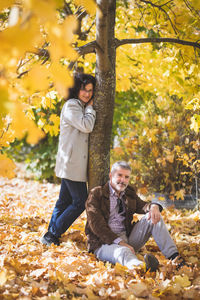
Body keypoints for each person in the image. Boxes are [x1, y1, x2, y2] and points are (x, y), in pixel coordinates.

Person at [85, 161, 185, 272]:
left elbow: (142, 205)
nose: (123, 180)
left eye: (126, 177)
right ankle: (142, 268)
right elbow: (97, 226)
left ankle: (175, 258)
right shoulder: (96, 194)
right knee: (123, 252)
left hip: (128, 238)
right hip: (103, 243)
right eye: (119, 175)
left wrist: (154, 206)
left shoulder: (128, 192)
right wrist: (120, 243)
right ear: (111, 175)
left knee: (153, 217)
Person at [41, 73, 96, 246]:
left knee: (64, 201)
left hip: (72, 163)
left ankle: (50, 235)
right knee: (80, 202)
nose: (87, 94)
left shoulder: (78, 104)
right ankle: (53, 233)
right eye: (83, 90)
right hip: (71, 163)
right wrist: (91, 108)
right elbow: (86, 126)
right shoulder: (72, 105)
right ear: (76, 89)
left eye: (90, 90)